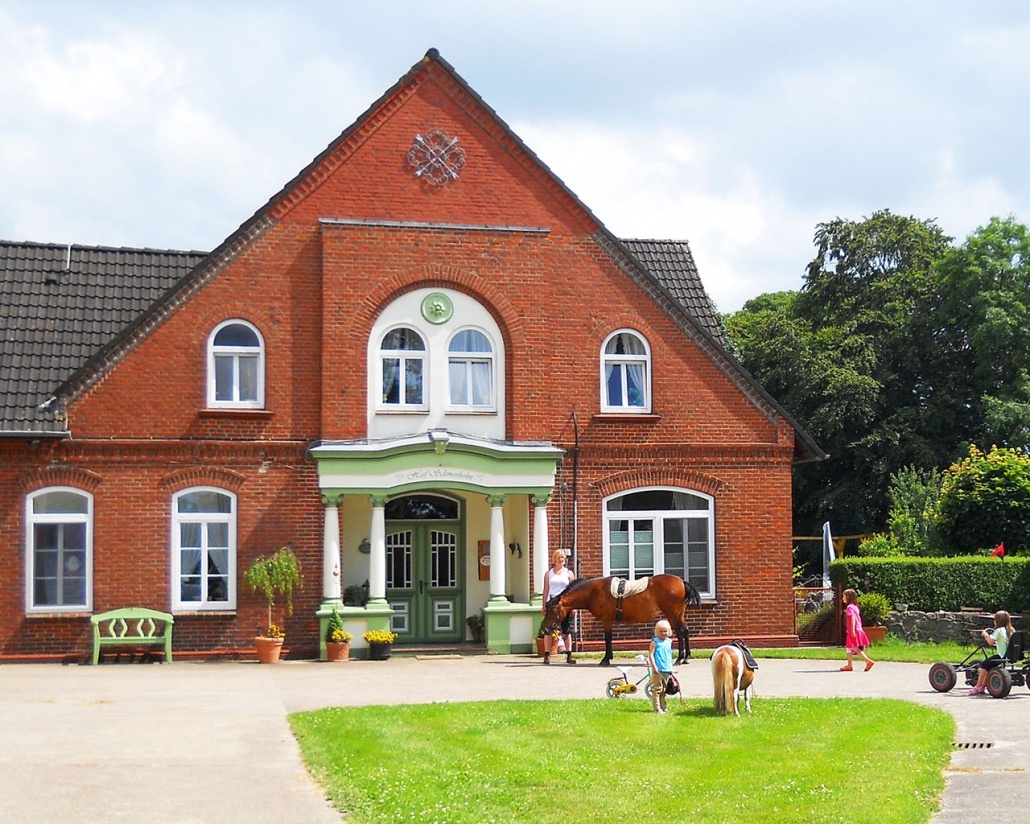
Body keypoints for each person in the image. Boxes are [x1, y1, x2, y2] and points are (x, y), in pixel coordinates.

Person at [541, 550, 576, 665]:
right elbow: (546, 589)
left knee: (566, 629)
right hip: (552, 603)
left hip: (565, 604)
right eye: (559, 558)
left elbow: (573, 591)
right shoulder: (549, 574)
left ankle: (569, 654)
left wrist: (574, 606)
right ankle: (547, 655)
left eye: (563, 558)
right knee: (548, 630)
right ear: (554, 559)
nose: (561, 560)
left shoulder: (569, 573)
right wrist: (543, 605)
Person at [968, 610, 1014, 695]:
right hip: (1011, 655)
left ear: (997, 621)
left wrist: (985, 634)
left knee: (984, 665)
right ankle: (983, 685)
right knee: (988, 665)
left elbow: (990, 642)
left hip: (1001, 655)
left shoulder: (999, 630)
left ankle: (978, 686)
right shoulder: (1011, 630)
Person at [840, 588, 875, 672]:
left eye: (843, 596)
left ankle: (868, 661)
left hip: (853, 630)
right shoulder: (855, 607)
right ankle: (849, 665)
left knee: (854, 647)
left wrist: (852, 630)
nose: (842, 598)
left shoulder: (849, 607)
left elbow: (853, 618)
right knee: (849, 647)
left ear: (848, 597)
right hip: (858, 629)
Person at [648, 619, 674, 713]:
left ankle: (663, 706)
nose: (663, 633)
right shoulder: (655, 642)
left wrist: (671, 668)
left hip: (667, 669)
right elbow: (651, 654)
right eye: (661, 631)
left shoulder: (669, 642)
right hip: (658, 669)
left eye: (665, 631)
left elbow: (669, 655)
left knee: (664, 690)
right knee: (657, 689)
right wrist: (654, 666)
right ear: (656, 631)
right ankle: (657, 708)